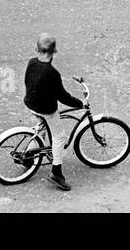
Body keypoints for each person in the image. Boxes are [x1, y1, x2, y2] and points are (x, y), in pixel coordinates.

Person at [23, 35, 85, 191]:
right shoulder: (52, 73)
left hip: (30, 103)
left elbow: (27, 82)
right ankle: (56, 173)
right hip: (46, 109)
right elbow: (63, 96)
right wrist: (80, 104)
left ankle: (28, 155)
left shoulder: (32, 63)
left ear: (36, 49)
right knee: (59, 137)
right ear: (54, 51)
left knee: (41, 127)